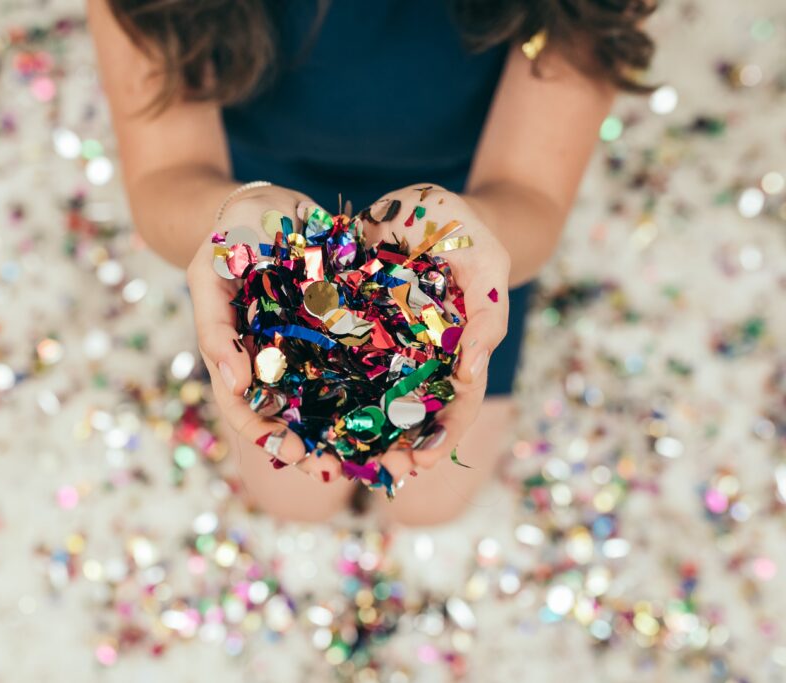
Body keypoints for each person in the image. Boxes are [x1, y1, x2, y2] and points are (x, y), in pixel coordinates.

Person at [88, 0, 655, 525]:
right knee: (293, 495)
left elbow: (532, 194)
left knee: (427, 502)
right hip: (251, 193)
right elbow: (165, 173)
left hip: (461, 215)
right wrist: (233, 218)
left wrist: (472, 237)